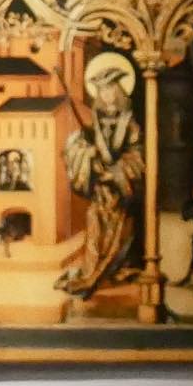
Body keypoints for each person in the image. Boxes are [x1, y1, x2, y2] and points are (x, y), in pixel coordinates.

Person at [55, 53, 146, 299]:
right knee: (94, 224)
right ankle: (91, 271)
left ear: (118, 91)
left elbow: (136, 155)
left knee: (118, 234)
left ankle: (109, 271)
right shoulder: (95, 122)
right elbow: (82, 148)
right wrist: (87, 153)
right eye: (101, 91)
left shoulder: (130, 123)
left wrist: (116, 173)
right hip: (100, 190)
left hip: (120, 191)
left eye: (110, 89)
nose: (106, 95)